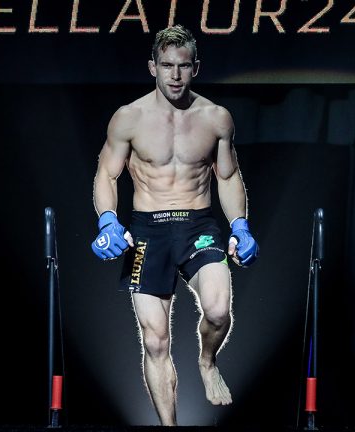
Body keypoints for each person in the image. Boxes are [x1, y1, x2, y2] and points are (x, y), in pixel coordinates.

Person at [90, 24, 258, 426]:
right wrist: (108, 221)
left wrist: (240, 226)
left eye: (183, 66)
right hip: (147, 231)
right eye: (167, 65)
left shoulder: (216, 118)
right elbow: (106, 175)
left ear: (195, 67)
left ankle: (207, 359)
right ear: (153, 66)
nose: (175, 75)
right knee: (155, 339)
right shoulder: (128, 119)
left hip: (198, 223)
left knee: (218, 311)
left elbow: (228, 177)